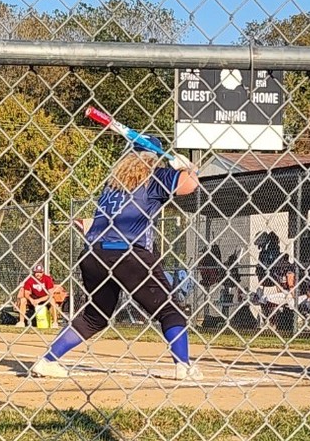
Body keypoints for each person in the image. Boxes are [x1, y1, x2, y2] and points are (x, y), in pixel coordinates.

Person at [30, 135, 201, 380]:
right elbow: (191, 185)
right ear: (154, 158)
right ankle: (183, 365)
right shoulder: (154, 178)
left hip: (93, 255)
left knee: (94, 316)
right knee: (170, 309)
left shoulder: (112, 187)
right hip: (130, 254)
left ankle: (48, 360)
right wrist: (188, 168)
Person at [16, 262, 60, 327]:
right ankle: (21, 322)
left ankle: (55, 323)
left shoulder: (47, 279)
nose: (38, 274)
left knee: (52, 300)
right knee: (23, 300)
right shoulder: (30, 279)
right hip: (33, 299)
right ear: (34, 273)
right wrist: (31, 300)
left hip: (44, 298)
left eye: (40, 272)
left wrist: (39, 300)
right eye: (36, 272)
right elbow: (26, 293)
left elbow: (50, 294)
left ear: (43, 272)